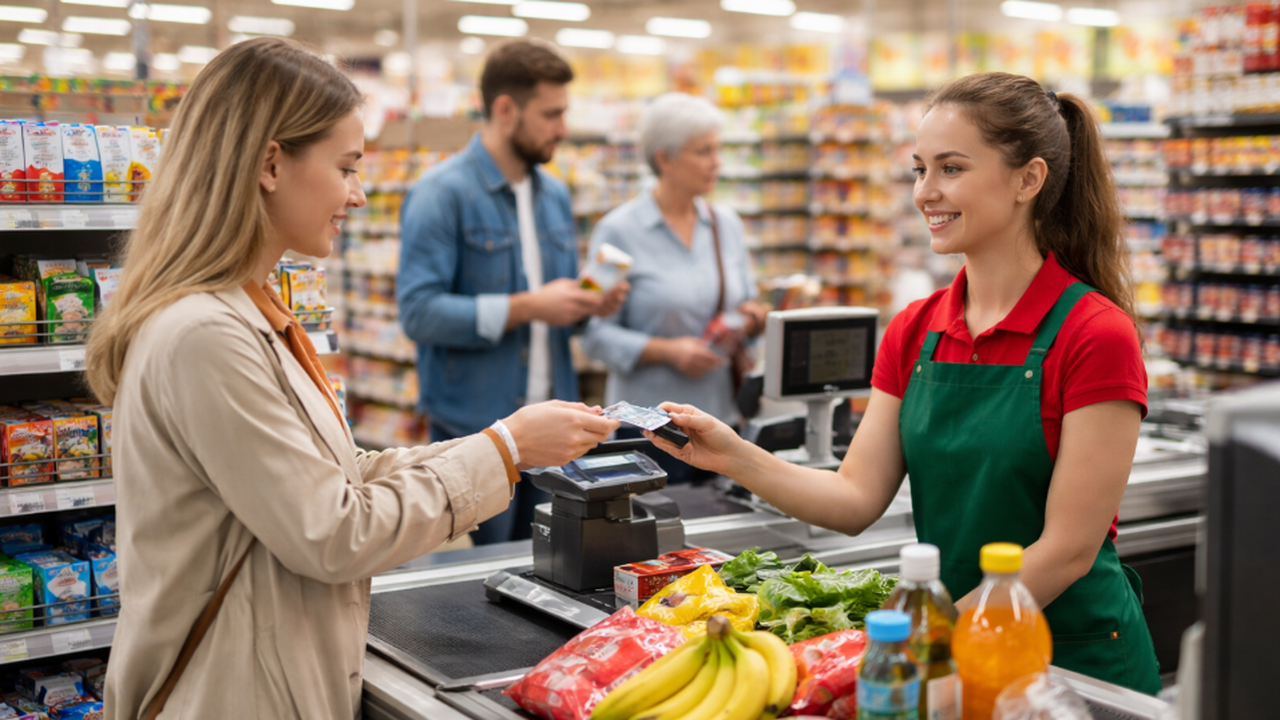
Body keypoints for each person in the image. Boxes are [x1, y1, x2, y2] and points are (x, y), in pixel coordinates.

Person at [85, 38, 618, 718]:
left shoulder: (245, 309)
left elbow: (334, 474)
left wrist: (506, 442)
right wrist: (505, 450)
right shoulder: (206, 335)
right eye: (346, 167)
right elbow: (333, 533)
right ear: (271, 163)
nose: (359, 195)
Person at [644, 72, 1162, 694]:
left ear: (1028, 179)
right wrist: (733, 455)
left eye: (950, 168)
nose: (925, 193)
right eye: (919, 169)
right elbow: (855, 499)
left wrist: (932, 642)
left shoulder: (1094, 334)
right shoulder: (916, 329)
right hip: (952, 655)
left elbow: (1068, 551)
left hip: (1072, 663)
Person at [398, 40, 627, 544]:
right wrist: (529, 306)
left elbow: (560, 309)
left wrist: (589, 306)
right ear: (505, 110)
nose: (563, 129)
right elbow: (418, 312)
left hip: (556, 429)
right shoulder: (440, 193)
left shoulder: (555, 195)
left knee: (547, 569)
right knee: (471, 584)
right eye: (552, 114)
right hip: (475, 428)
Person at [580, 93, 768, 483]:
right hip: (648, 430)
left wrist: (751, 320)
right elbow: (593, 335)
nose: (717, 162)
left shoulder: (725, 226)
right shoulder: (617, 231)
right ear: (664, 158)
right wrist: (666, 352)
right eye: (704, 151)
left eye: (718, 149)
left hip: (718, 425)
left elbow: (746, 301)